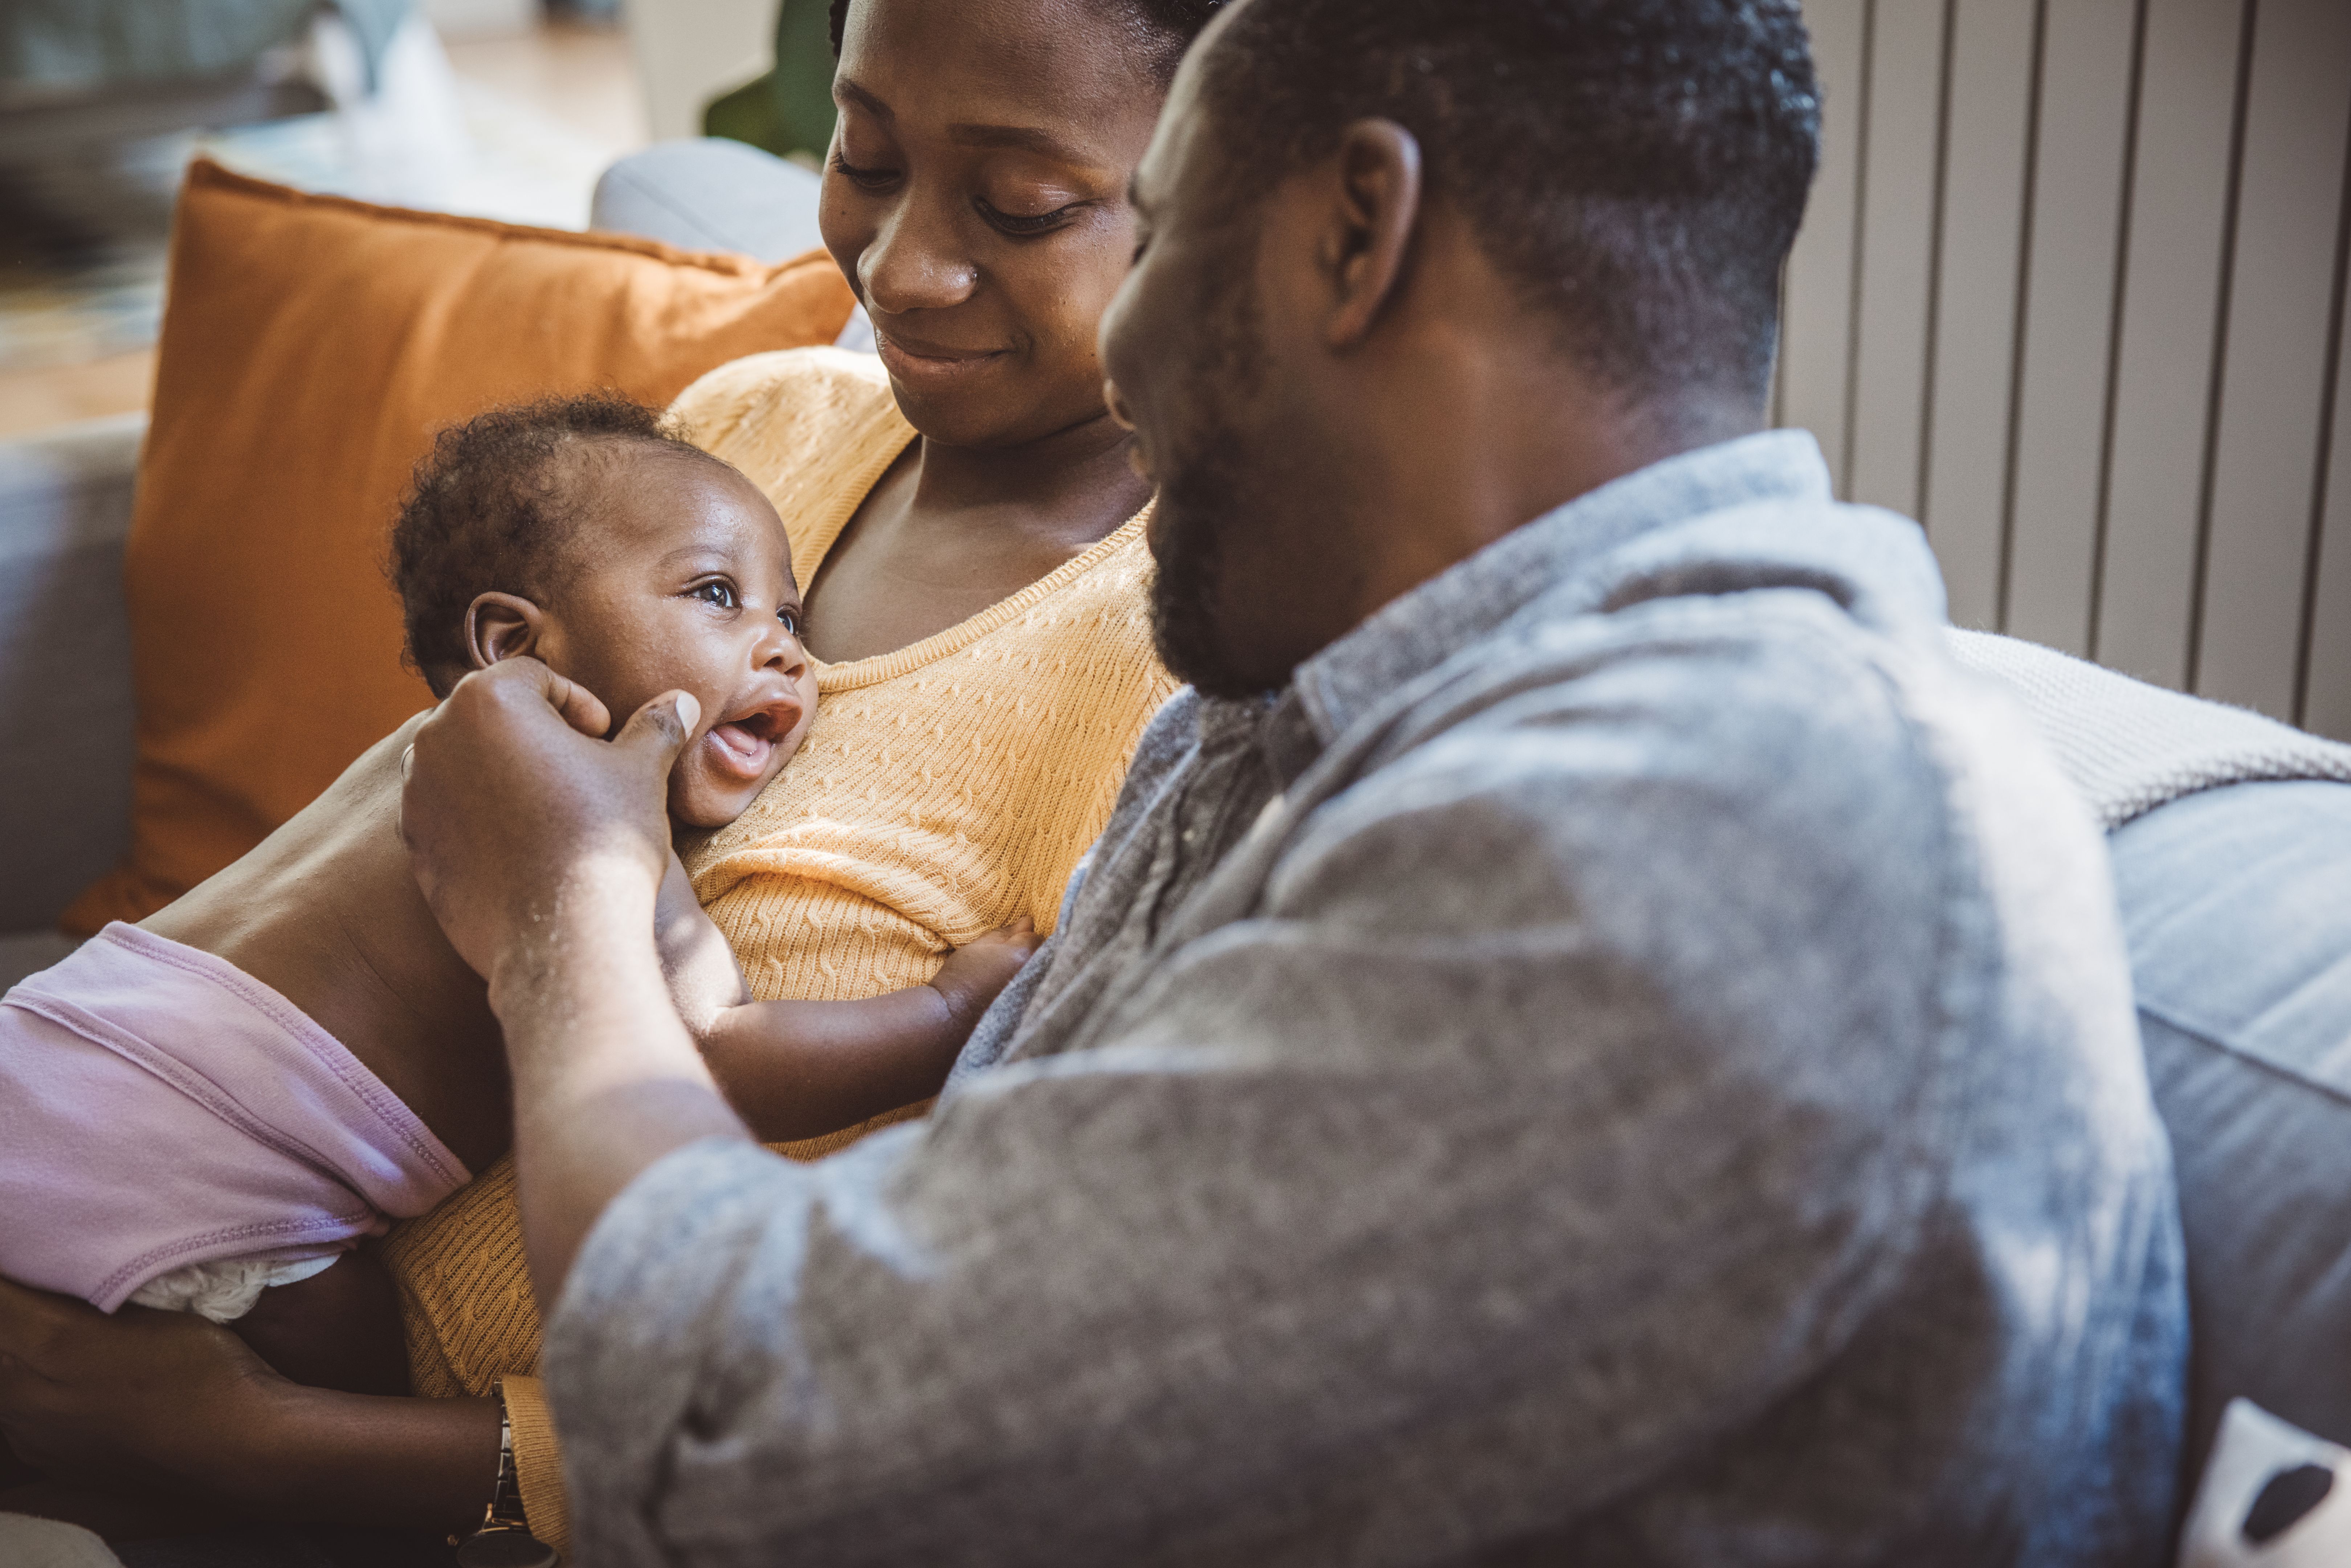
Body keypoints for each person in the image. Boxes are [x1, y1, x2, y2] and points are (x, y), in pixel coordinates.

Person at [380, 0, 2189, 1561]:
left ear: (1355, 235)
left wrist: (567, 913)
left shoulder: (1701, 837)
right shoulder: (1317, 711)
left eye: (1148, 229)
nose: (1130, 355)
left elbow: (729, 1438)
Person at [0, 0, 1215, 1556]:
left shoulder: (1185, 661)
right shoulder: (748, 428)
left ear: (1235, 187)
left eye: (1025, 207)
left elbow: (985, 1377)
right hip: (173, 1236)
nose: (900, 268)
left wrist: (253, 1447)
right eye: (864, 155)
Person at [0, 392, 1032, 1445]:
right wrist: (949, 1016)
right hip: (173, 1163)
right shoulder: (584, 805)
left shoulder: (417, 762)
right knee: (363, 1372)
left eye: (791, 618)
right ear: (510, 642)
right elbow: (709, 1060)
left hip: (50, 1045)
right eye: (719, 595)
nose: (783, 654)